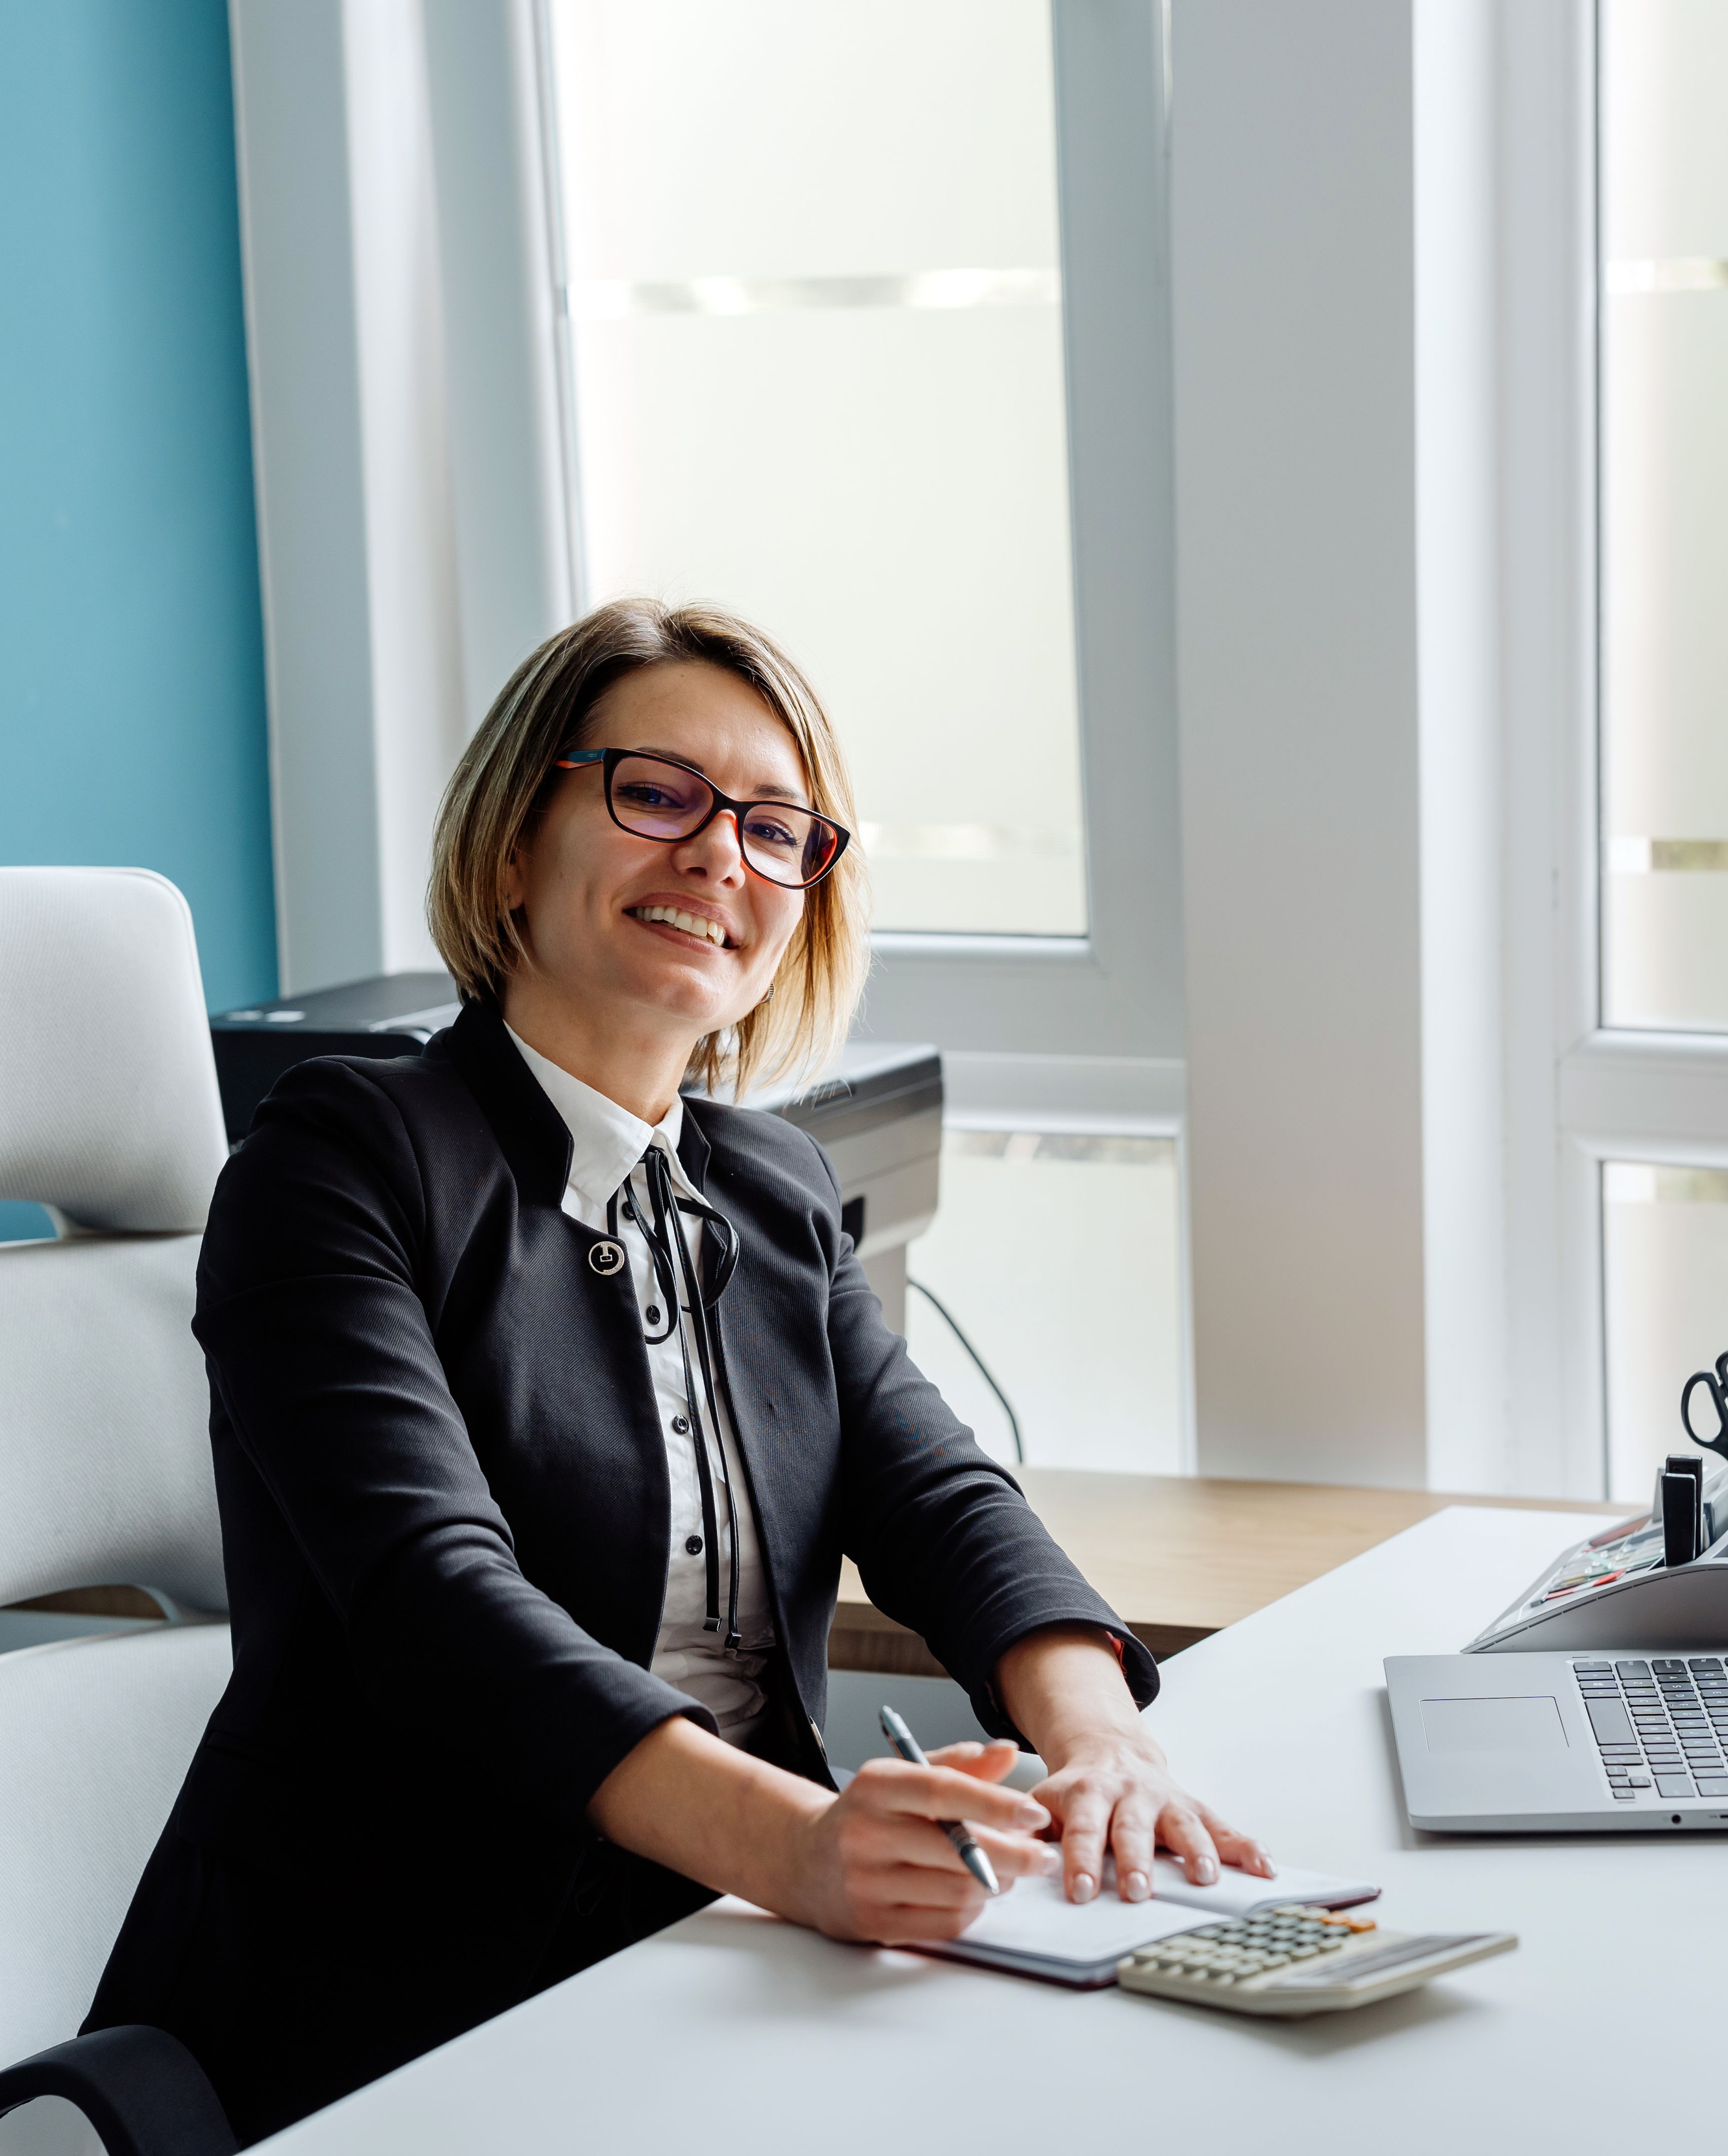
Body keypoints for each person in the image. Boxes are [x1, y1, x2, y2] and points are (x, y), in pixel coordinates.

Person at [88, 598, 1265, 2138]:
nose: (722, 855)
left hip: (710, 1950)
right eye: (658, 795)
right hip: (396, 1998)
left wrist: (1101, 1740)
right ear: (514, 843)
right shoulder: (341, 1161)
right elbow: (436, 1606)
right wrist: (796, 1849)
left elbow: (939, 1497)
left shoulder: (771, 1186)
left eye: (778, 829)